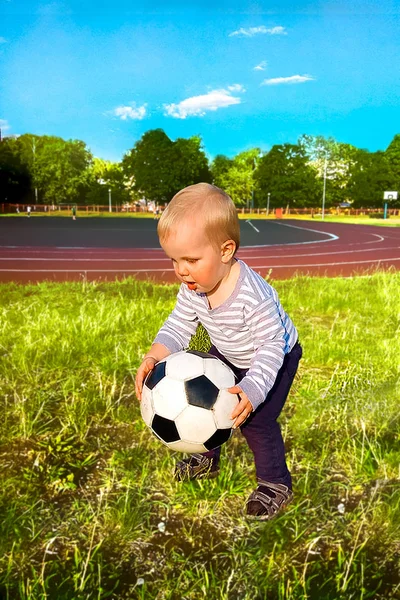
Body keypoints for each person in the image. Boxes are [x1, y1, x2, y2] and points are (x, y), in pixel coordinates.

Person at [135, 183, 302, 521]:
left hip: (273, 357)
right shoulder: (194, 286)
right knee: (202, 394)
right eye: (174, 260)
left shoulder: (252, 295)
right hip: (228, 349)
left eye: (191, 260)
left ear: (226, 251)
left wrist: (253, 390)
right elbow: (179, 325)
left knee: (255, 420)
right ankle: (204, 455)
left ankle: (275, 483)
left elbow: (271, 344)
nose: (182, 270)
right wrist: (154, 355)